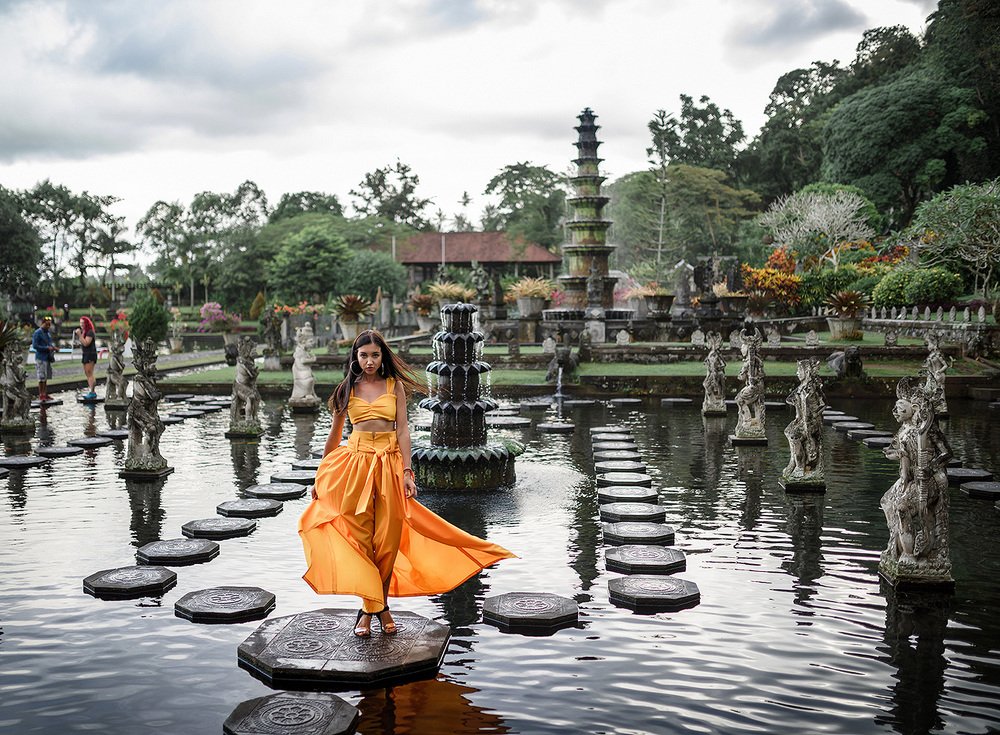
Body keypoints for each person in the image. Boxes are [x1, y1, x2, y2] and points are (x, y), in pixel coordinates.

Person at [298, 329, 515, 638]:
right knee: (360, 540)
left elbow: (402, 433)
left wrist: (407, 472)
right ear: (355, 358)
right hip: (354, 466)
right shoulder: (346, 389)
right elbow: (334, 437)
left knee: (387, 541)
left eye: (375, 355)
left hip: (388, 464)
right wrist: (321, 476)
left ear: (382, 356)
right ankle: (377, 607)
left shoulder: (394, 386)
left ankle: (370, 610)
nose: (370, 361)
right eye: (364, 355)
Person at [31, 316, 56, 401]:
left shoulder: (47, 333)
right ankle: (41, 394)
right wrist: (46, 348)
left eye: (49, 325)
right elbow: (35, 346)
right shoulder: (37, 333)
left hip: (47, 357)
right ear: (42, 323)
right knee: (41, 377)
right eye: (47, 324)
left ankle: (45, 393)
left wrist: (53, 348)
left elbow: (49, 344)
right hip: (40, 357)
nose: (48, 326)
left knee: (46, 377)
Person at [75, 316, 98, 399]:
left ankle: (92, 392)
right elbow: (83, 343)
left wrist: (79, 335)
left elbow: (86, 343)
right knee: (87, 373)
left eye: (83, 323)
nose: (81, 325)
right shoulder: (85, 332)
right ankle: (91, 391)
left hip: (90, 355)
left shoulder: (90, 332)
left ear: (86, 323)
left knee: (89, 373)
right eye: (80, 323)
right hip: (85, 354)